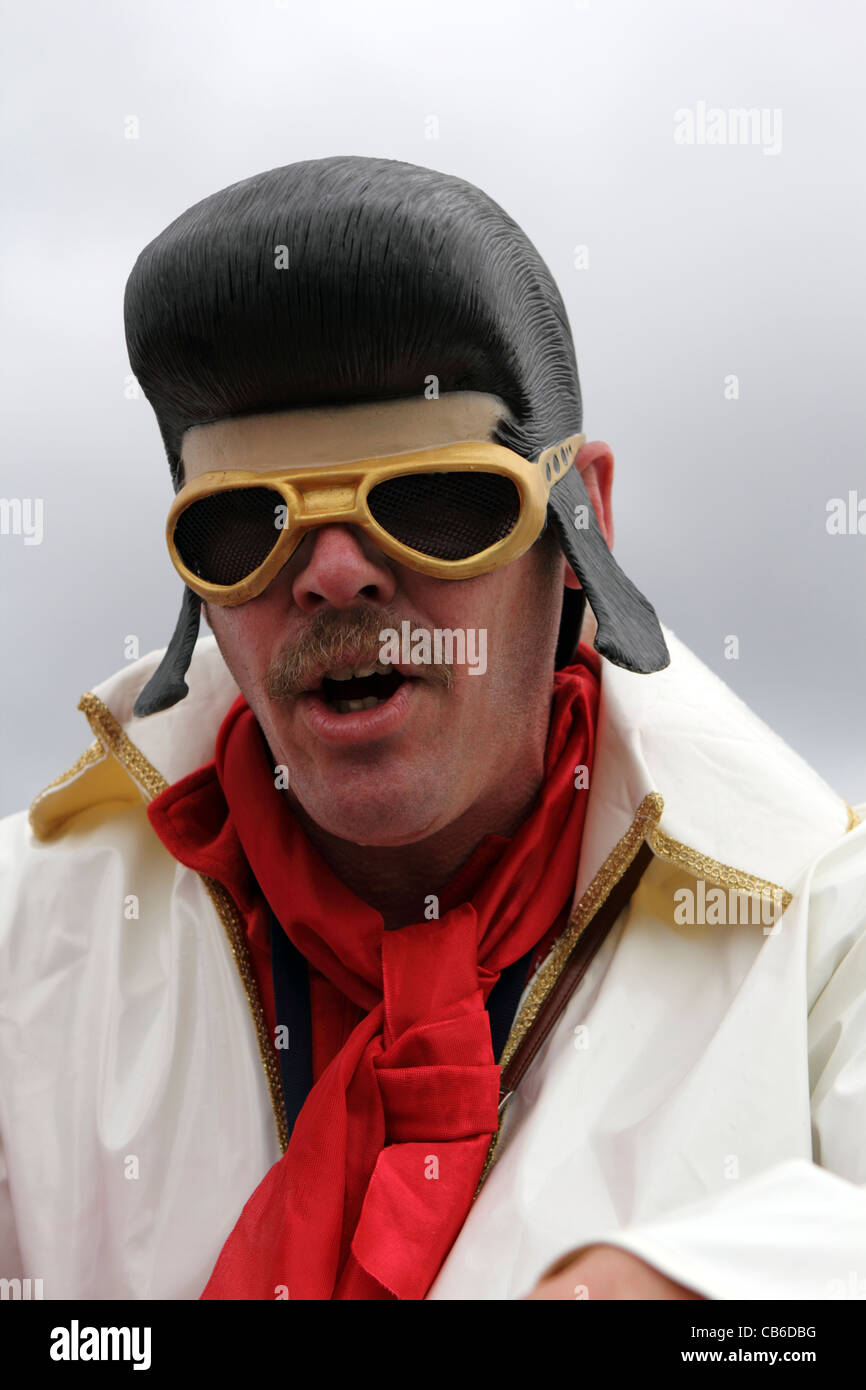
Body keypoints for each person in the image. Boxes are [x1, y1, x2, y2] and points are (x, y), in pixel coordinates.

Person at [1, 156, 864, 1302]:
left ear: (579, 525)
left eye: (434, 501)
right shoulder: (24, 937)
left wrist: (708, 1294)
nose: (336, 576)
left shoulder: (821, 939)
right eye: (246, 526)